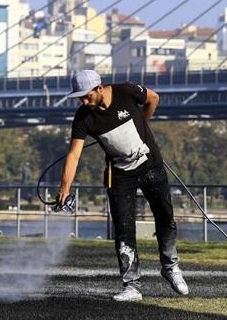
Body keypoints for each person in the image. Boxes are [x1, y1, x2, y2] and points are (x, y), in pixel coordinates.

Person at [57, 69, 189, 302]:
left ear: (99, 88)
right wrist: (64, 189)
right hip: (119, 176)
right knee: (124, 230)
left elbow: (153, 98)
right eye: (79, 97)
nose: (83, 100)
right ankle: (132, 286)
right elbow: (74, 155)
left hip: (151, 167)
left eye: (86, 95)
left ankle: (170, 267)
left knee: (165, 217)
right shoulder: (83, 118)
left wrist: (143, 124)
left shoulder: (125, 92)